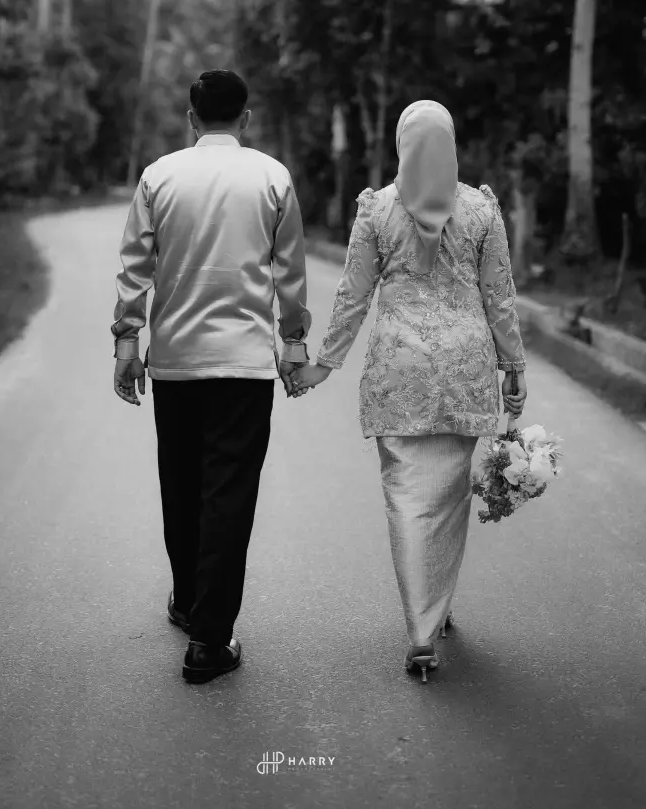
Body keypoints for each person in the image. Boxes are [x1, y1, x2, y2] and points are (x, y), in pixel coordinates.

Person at [293, 100, 527, 681]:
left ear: (403, 147)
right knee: (448, 498)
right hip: (465, 374)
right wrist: (513, 367)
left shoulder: (377, 210)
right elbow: (499, 297)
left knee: (406, 499)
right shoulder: (481, 210)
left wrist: (324, 364)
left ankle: (421, 629)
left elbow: (353, 296)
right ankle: (432, 614)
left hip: (399, 375)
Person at [111, 70, 311, 684]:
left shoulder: (158, 176)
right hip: (244, 368)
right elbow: (289, 273)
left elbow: (134, 267)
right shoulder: (273, 177)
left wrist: (127, 342)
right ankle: (209, 639)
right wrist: (294, 343)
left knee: (180, 485)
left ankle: (187, 601)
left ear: (192, 118)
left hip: (175, 363)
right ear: (245, 118)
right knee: (229, 494)